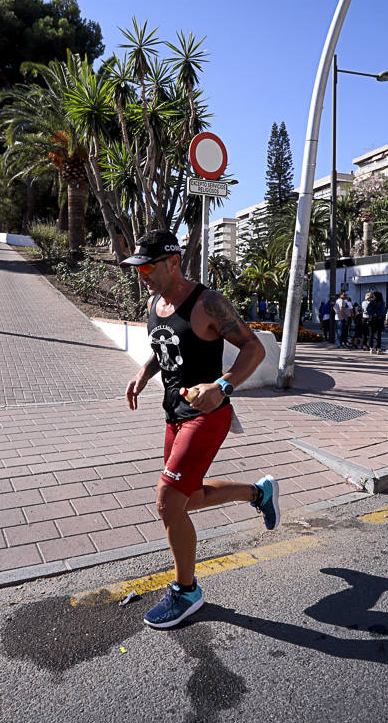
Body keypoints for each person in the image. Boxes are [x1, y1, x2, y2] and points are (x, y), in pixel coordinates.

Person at [122, 230, 279, 629]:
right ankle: (258, 493)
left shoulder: (208, 302)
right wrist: (145, 370)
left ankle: (186, 591)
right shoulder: (155, 301)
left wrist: (222, 385)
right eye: (138, 268)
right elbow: (167, 347)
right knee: (186, 499)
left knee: (167, 501)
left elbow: (254, 348)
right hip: (174, 413)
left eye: (148, 267)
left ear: (173, 262)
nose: (142, 275)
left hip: (208, 415)